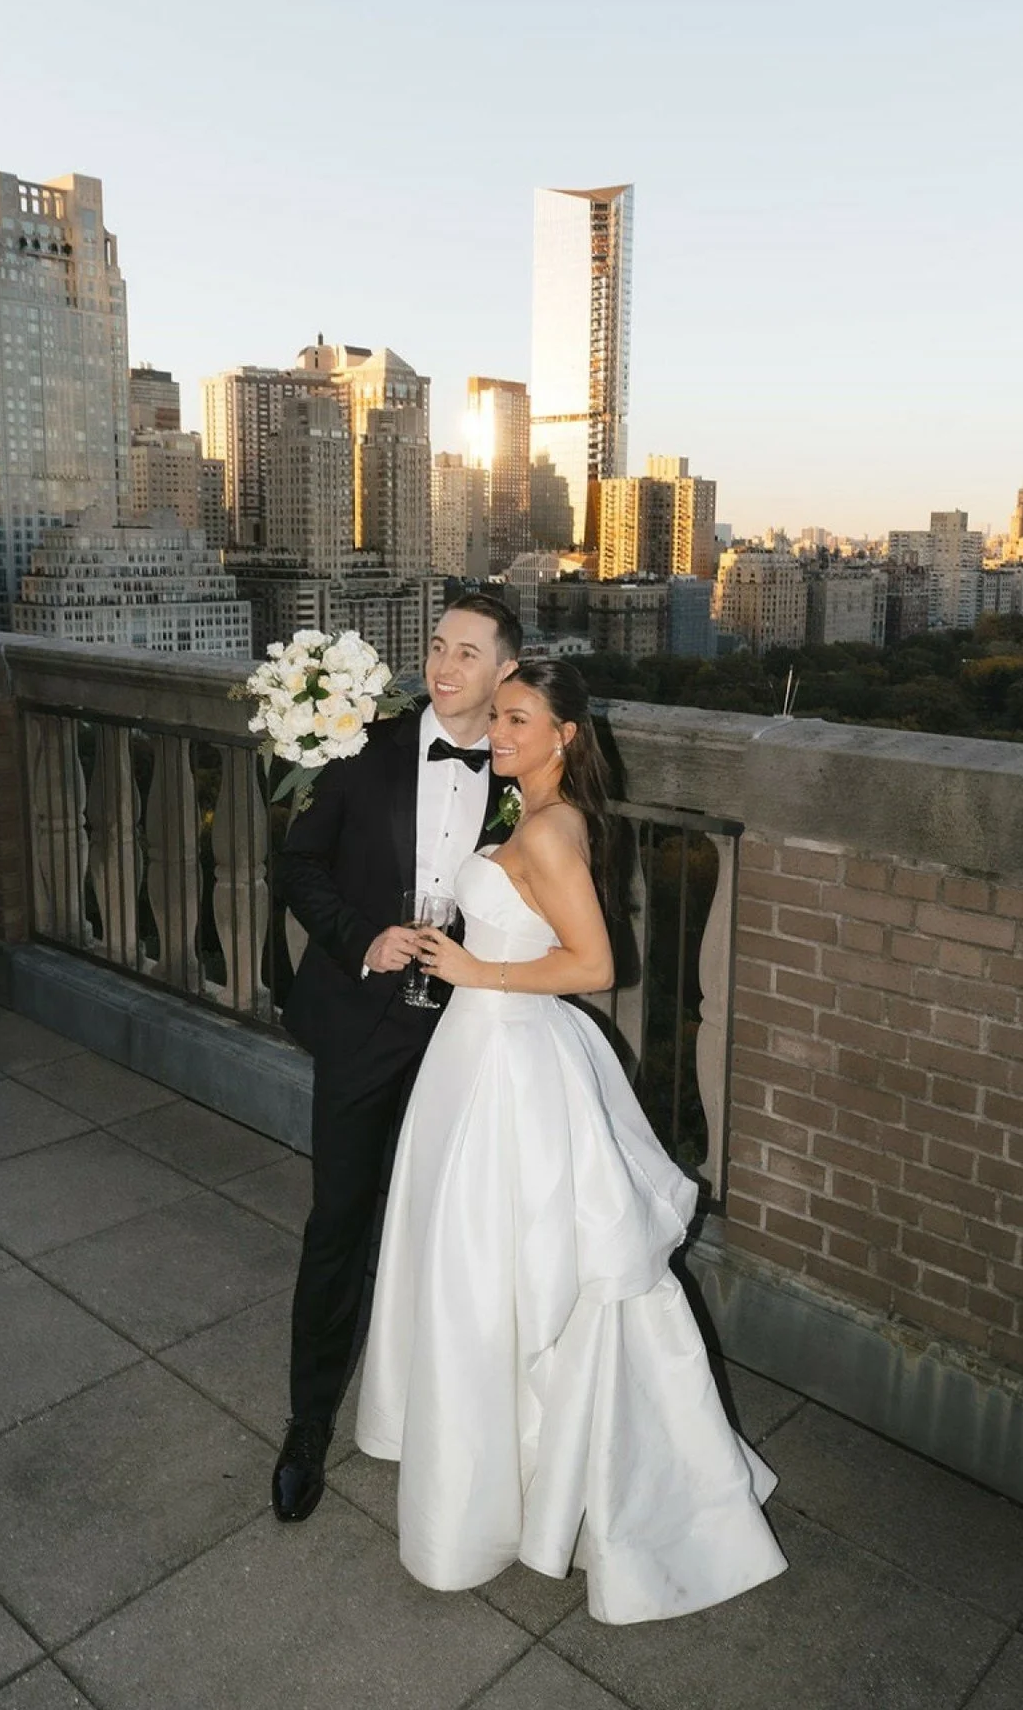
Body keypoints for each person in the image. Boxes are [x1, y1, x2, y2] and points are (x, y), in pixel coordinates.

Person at [355, 658, 788, 1624]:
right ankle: (503, 1469)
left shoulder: (551, 828)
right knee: (482, 1265)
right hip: (478, 1053)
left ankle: (492, 1495)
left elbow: (596, 963)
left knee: (494, 1269)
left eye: (517, 719)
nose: (497, 732)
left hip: (509, 1060)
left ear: (566, 736)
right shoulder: (527, 811)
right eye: (495, 718)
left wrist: (473, 967)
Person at [271, 592, 523, 1522]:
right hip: (359, 1020)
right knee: (337, 1222)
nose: (445, 666)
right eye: (438, 647)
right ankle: (307, 1421)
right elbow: (297, 864)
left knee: (451, 1235)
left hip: (466, 1035)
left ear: (504, 673)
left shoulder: (522, 764)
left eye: (468, 654)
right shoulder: (360, 747)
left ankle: (443, 1419)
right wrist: (361, 938)